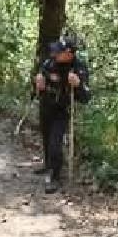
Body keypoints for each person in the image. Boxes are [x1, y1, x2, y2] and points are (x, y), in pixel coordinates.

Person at [34, 36, 91, 193]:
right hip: (46, 106)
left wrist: (78, 84)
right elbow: (41, 78)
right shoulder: (49, 62)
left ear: (68, 53)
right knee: (46, 138)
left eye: (59, 51)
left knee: (55, 143)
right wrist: (38, 82)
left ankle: (56, 177)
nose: (55, 53)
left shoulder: (78, 67)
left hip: (62, 110)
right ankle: (48, 165)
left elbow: (86, 96)